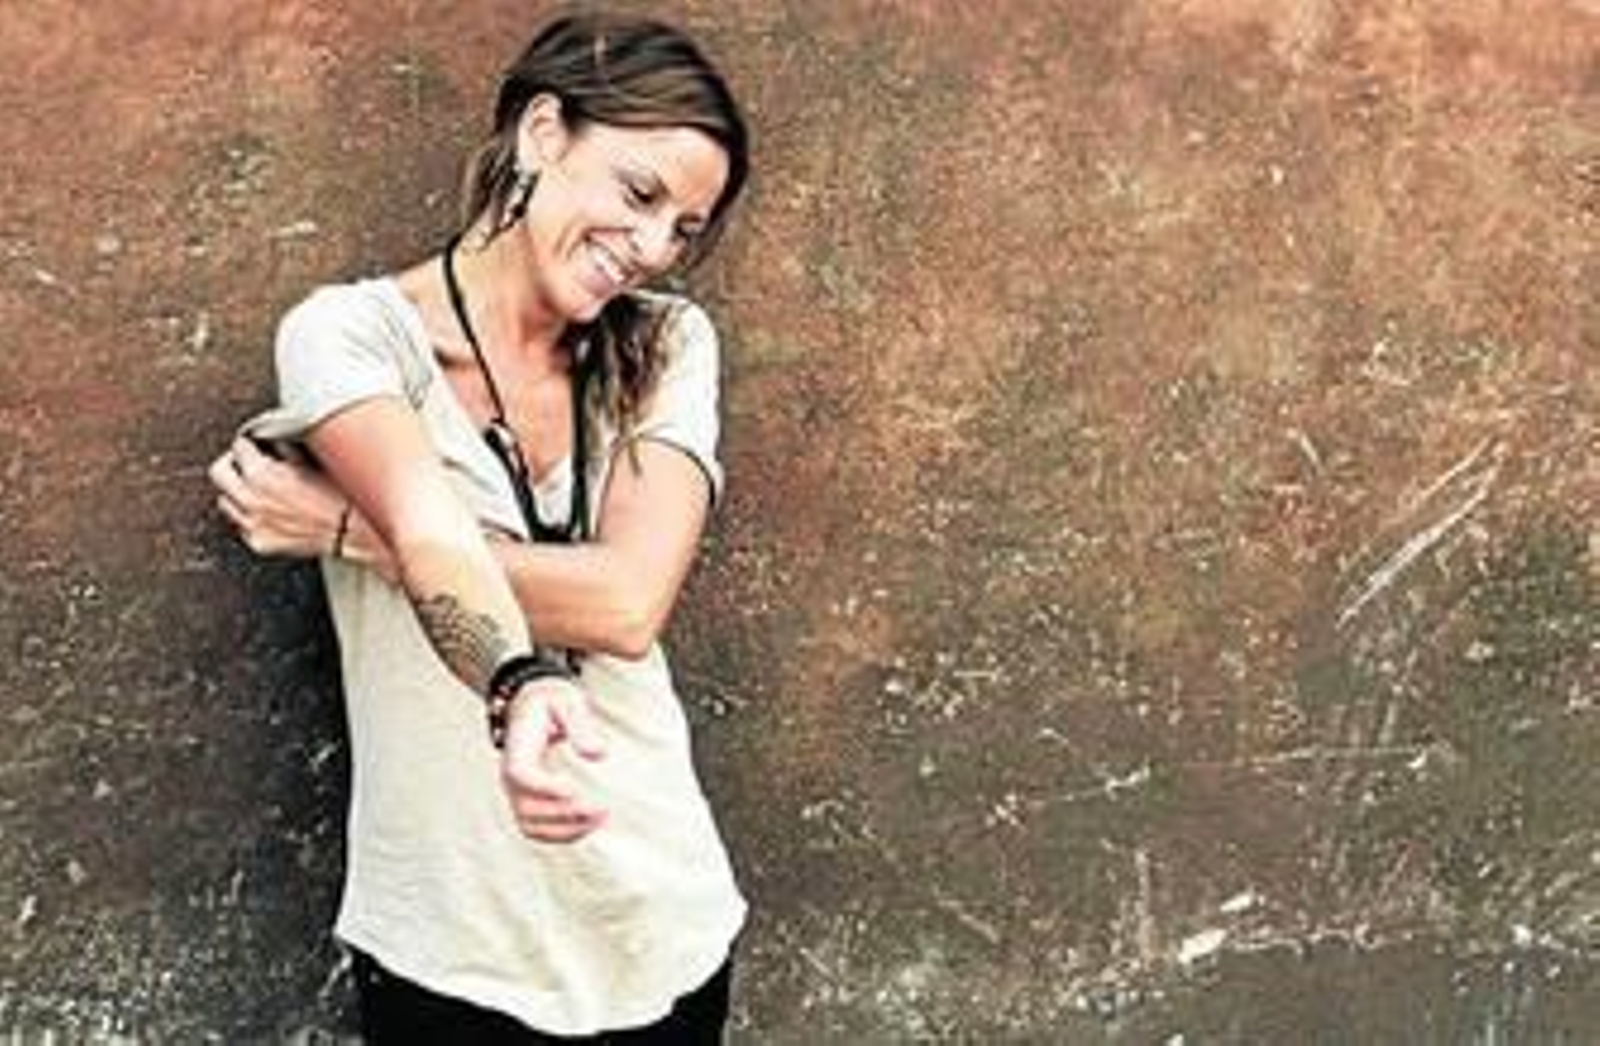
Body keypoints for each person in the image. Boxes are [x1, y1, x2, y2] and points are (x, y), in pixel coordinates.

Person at [207, 10, 751, 1042]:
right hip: (452, 942)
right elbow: (430, 530)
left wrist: (343, 531)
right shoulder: (352, 336)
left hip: (659, 918)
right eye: (639, 194)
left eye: (684, 229)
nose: (651, 248)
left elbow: (628, 604)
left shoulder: (670, 343)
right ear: (543, 132)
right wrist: (518, 678)